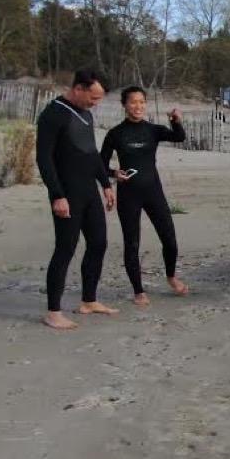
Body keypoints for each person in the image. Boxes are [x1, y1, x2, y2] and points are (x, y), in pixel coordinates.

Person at [35, 68, 117, 329]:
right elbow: (44, 159)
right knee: (65, 248)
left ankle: (89, 301)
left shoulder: (85, 114)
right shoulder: (53, 114)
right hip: (67, 193)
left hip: (89, 191)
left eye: (99, 98)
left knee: (99, 243)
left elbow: (91, 153)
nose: (96, 103)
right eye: (93, 97)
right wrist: (57, 195)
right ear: (78, 88)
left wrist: (106, 184)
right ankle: (53, 312)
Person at [100, 86, 189, 306]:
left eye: (141, 102)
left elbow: (179, 137)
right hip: (129, 194)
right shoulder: (116, 133)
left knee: (170, 240)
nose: (138, 106)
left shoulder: (153, 130)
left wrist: (176, 121)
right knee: (132, 243)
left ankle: (171, 276)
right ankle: (138, 291)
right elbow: (100, 164)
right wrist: (114, 174)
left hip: (153, 192)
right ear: (124, 105)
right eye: (133, 102)